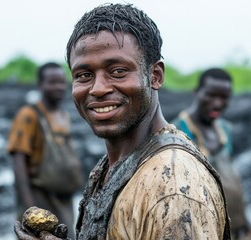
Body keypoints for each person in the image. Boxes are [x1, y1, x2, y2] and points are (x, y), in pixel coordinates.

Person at [14, 3, 231, 240]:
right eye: (84, 75)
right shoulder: (115, 165)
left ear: (155, 76)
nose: (98, 89)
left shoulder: (173, 187)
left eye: (117, 71)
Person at [7, 62, 83, 238]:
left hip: (63, 199)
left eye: (62, 82)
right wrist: (30, 208)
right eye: (52, 82)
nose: (59, 87)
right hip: (40, 197)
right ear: (40, 85)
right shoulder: (29, 115)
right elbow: (18, 162)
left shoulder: (63, 115)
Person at [173, 68, 251, 239]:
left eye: (224, 97)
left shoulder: (224, 130)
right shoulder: (177, 133)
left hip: (238, 228)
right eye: (211, 95)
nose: (217, 103)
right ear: (197, 92)